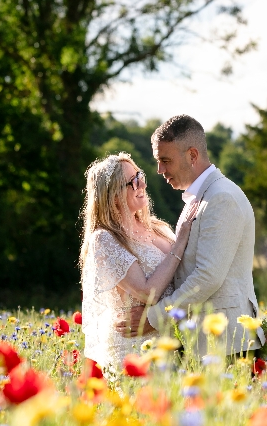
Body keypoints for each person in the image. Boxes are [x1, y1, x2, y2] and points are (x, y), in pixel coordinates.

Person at [116, 115, 265, 357]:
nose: (160, 170)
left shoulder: (220, 198)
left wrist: (154, 318)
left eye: (166, 160)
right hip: (205, 342)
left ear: (192, 155)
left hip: (226, 344)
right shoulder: (199, 198)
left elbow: (208, 277)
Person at [80, 152, 197, 373]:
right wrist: (180, 242)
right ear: (113, 195)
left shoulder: (158, 227)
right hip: (135, 349)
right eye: (132, 181)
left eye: (139, 175)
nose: (142, 182)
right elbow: (146, 292)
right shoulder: (104, 239)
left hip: (173, 341)